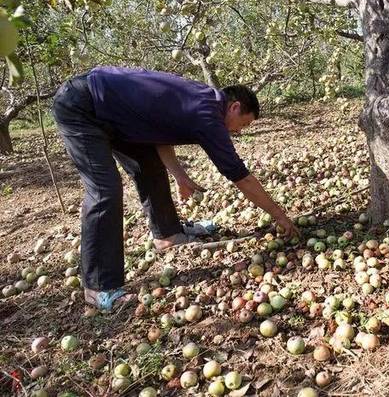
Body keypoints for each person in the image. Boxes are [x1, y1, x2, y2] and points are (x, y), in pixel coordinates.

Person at [52, 66, 299, 311]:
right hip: (83, 105)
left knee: (149, 167)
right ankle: (99, 288)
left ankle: (167, 235)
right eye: (242, 125)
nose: (237, 132)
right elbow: (239, 175)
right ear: (234, 107)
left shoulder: (200, 100)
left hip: (115, 112)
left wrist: (179, 176)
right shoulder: (208, 114)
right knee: (104, 190)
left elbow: (158, 132)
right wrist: (279, 215)